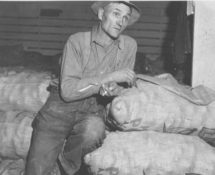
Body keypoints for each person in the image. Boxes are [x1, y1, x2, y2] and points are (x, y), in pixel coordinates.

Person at [25, 1, 140, 175]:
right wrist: (108, 78)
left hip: (93, 109)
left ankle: (63, 169)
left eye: (125, 17)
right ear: (101, 14)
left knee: (94, 130)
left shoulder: (129, 46)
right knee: (36, 170)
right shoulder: (77, 41)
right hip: (60, 108)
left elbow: (121, 87)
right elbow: (68, 91)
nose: (121, 22)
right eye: (116, 14)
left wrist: (113, 90)